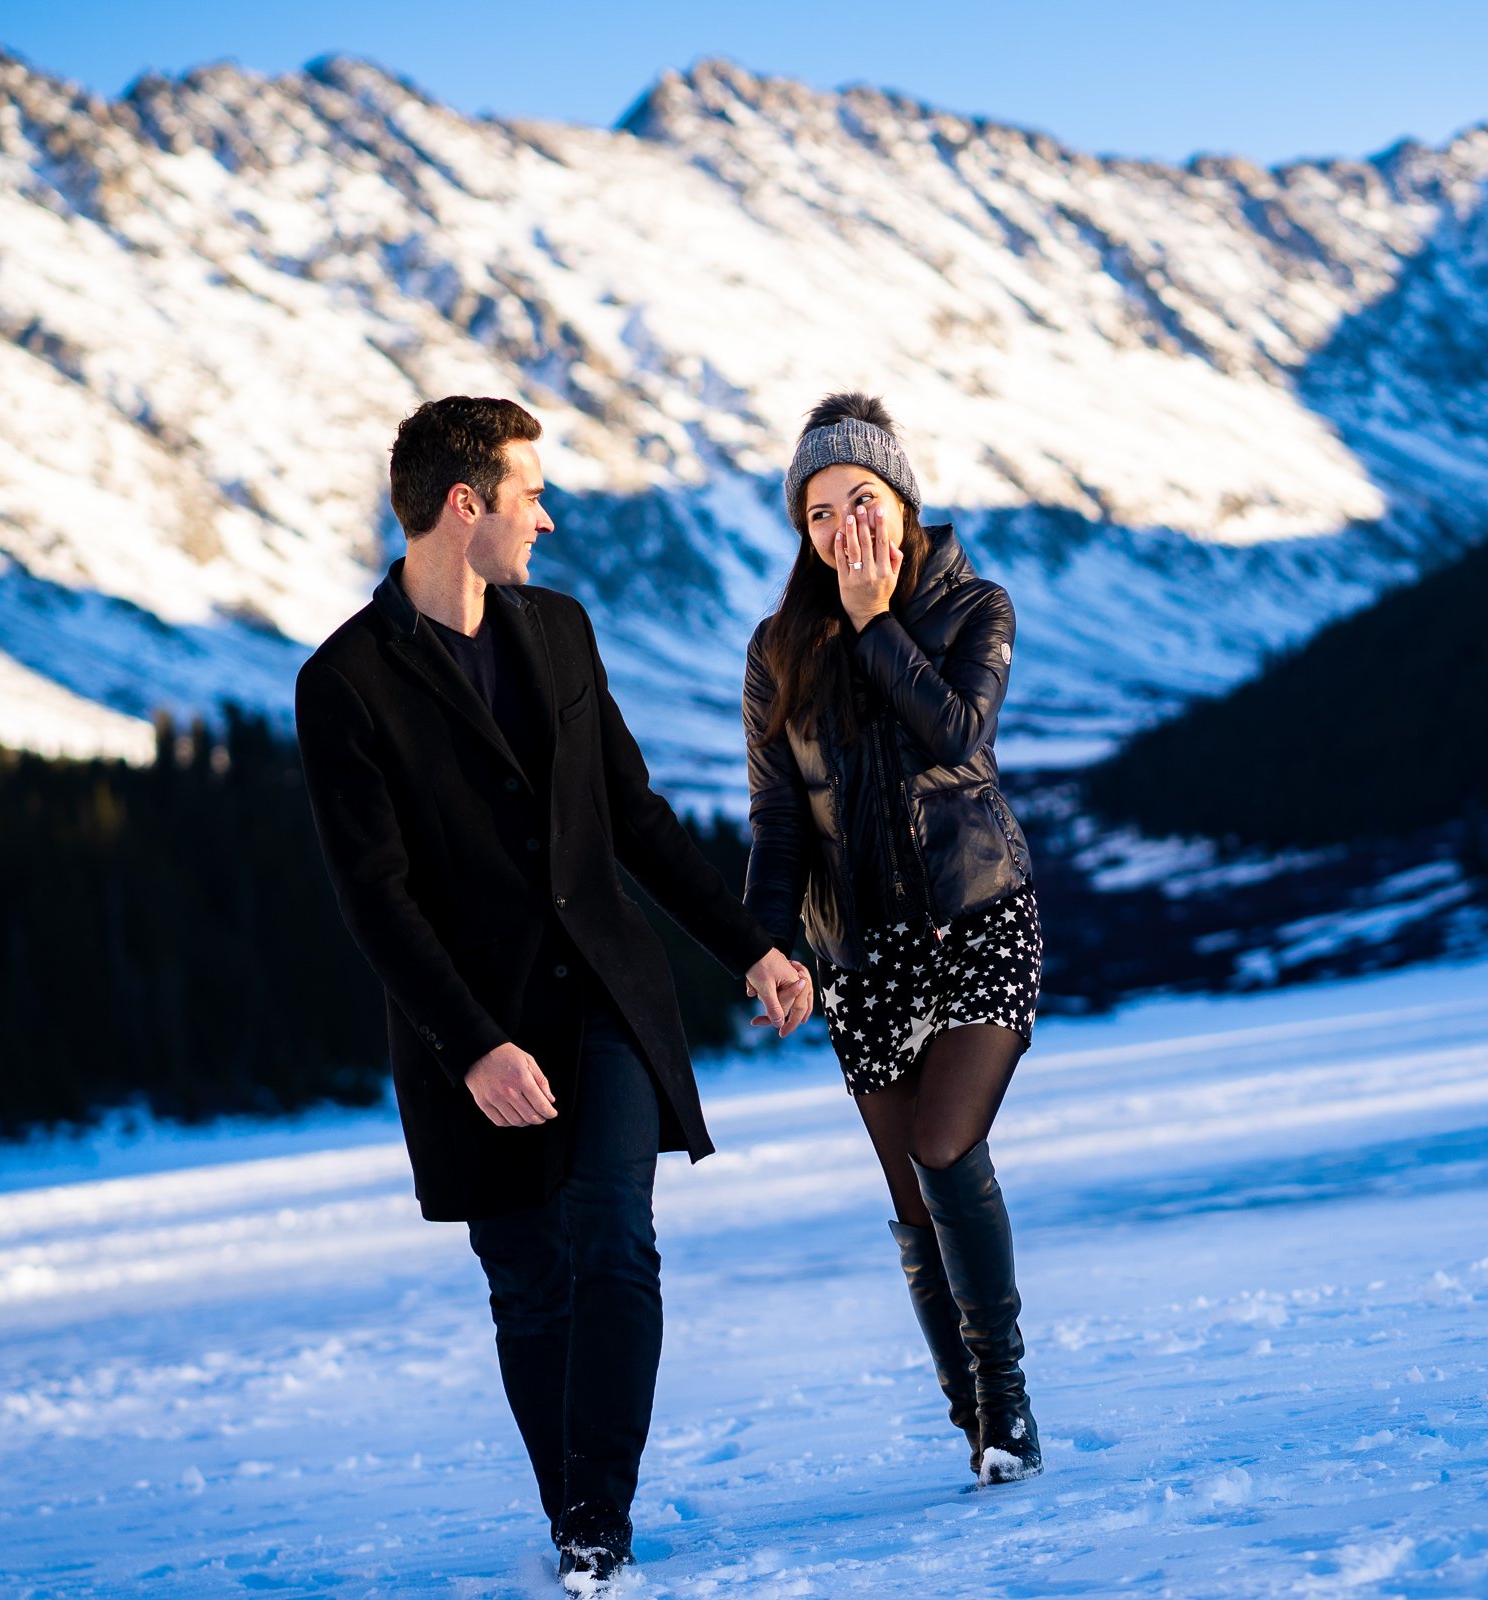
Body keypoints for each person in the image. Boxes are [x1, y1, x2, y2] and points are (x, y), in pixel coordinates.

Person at [294, 395, 810, 1584]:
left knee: (616, 1248)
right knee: (529, 1286)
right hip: (467, 1036)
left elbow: (633, 816)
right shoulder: (346, 683)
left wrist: (751, 945)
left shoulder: (561, 631)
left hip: (606, 1003)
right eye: (531, 494)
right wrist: (473, 1046)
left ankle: (595, 1526)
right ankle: (576, 1515)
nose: (550, 518)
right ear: (463, 505)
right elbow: (377, 898)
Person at [742, 392, 1045, 1484]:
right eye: (817, 514)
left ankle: (1006, 1404)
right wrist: (769, 943)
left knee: (943, 1144)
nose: (840, 530)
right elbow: (778, 820)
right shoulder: (778, 651)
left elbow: (961, 738)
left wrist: (877, 624)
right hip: (861, 952)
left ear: (904, 503)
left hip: (977, 917)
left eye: (859, 501)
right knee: (912, 1201)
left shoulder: (974, 608)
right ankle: (973, 1418)